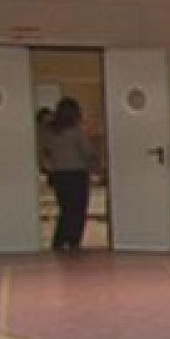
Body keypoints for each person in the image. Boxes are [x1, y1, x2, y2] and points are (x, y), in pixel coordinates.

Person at [41, 98, 97, 253]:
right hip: (76, 174)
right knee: (78, 210)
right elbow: (88, 151)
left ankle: (59, 242)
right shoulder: (76, 132)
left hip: (59, 174)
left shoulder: (49, 132)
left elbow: (45, 153)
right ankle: (73, 242)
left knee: (65, 209)